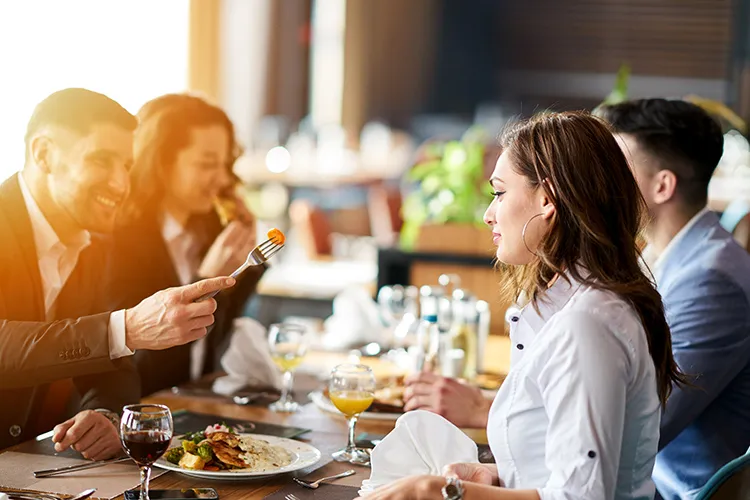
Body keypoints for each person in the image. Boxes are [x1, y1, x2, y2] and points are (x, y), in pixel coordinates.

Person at [367, 111, 684, 500]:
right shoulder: (561, 306)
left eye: (499, 193)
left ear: (547, 200)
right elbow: (566, 466)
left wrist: (440, 491)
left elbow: (583, 497)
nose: (488, 214)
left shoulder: (588, 325)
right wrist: (496, 476)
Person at [0, 88, 234, 457]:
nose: (120, 184)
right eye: (101, 160)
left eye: (125, 166)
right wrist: (126, 328)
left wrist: (107, 414)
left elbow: (114, 367)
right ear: (43, 154)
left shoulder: (90, 242)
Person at [595, 98, 750, 499]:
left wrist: (487, 410)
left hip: (671, 491)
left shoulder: (713, 281)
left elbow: (644, 427)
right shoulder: (660, 256)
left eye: (616, 169)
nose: (602, 183)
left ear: (662, 185)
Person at [108, 93, 263, 396]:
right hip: (143, 408)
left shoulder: (209, 229)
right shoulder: (117, 239)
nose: (221, 178)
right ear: (162, 163)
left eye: (225, 164)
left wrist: (246, 264)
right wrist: (204, 281)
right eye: (207, 164)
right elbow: (138, 363)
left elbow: (220, 337)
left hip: (199, 402)